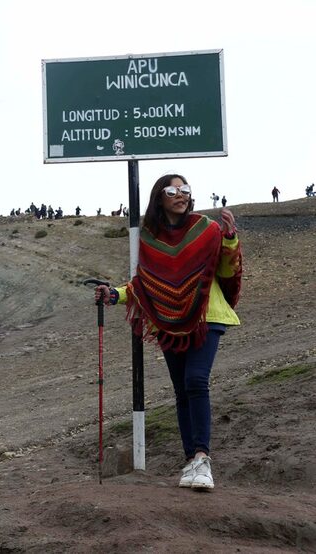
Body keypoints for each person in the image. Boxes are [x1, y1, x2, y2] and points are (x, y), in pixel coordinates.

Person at [93, 174, 242, 492]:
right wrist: (115, 295)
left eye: (185, 189)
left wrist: (230, 238)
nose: (181, 195)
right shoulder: (150, 238)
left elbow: (227, 272)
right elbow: (144, 285)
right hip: (168, 323)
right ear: (159, 197)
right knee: (180, 391)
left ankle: (203, 457)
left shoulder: (207, 229)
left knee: (196, 381)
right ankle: (191, 461)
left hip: (207, 315)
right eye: (173, 190)